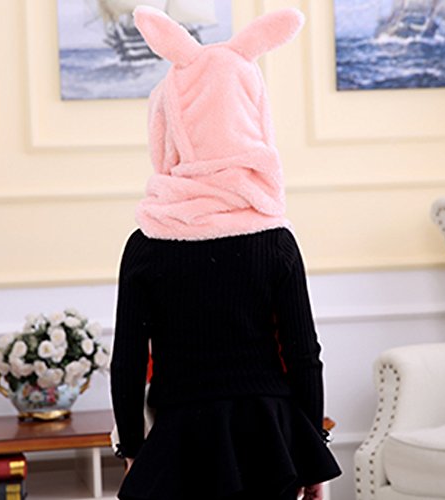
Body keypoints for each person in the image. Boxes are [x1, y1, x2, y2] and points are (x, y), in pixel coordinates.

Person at [110, 6, 343, 500]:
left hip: (181, 441)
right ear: (252, 117)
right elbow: (305, 355)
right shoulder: (275, 240)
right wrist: (310, 452)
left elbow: (127, 362)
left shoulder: (147, 243)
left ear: (169, 122)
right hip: (272, 437)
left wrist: (132, 450)